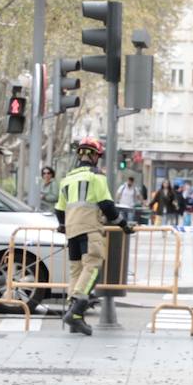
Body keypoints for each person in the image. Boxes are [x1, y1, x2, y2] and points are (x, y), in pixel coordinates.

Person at [53, 138, 132, 336]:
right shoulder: (97, 176)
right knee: (93, 266)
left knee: (76, 270)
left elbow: (59, 209)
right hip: (89, 228)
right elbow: (106, 204)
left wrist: (63, 225)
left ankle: (74, 317)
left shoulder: (67, 178)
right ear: (95, 156)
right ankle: (77, 309)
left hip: (71, 230)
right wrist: (123, 224)